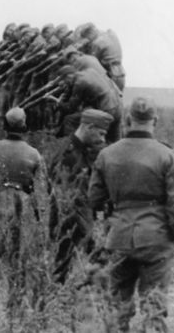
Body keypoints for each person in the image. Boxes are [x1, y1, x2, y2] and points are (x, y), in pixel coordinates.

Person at [88, 97, 174, 333]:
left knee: (117, 307)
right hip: (157, 238)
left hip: (119, 237)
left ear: (129, 119)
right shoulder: (166, 154)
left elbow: (94, 199)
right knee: (154, 304)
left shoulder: (107, 154)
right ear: (155, 121)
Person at [0, 107, 47, 309]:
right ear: (24, 127)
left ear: (4, 127)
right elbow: (40, 190)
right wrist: (39, 217)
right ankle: (14, 308)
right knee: (18, 256)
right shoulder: (35, 154)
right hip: (22, 206)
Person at [48, 108, 113, 283]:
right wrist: (87, 229)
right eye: (100, 133)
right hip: (69, 220)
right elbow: (66, 194)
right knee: (62, 264)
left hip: (76, 219)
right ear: (89, 127)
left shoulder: (80, 150)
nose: (102, 139)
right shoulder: (68, 153)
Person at [57, 64, 123, 143]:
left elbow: (70, 108)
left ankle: (71, 146)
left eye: (64, 80)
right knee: (115, 140)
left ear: (68, 76)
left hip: (107, 110)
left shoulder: (79, 83)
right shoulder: (90, 71)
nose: (64, 82)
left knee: (69, 120)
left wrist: (59, 102)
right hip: (118, 106)